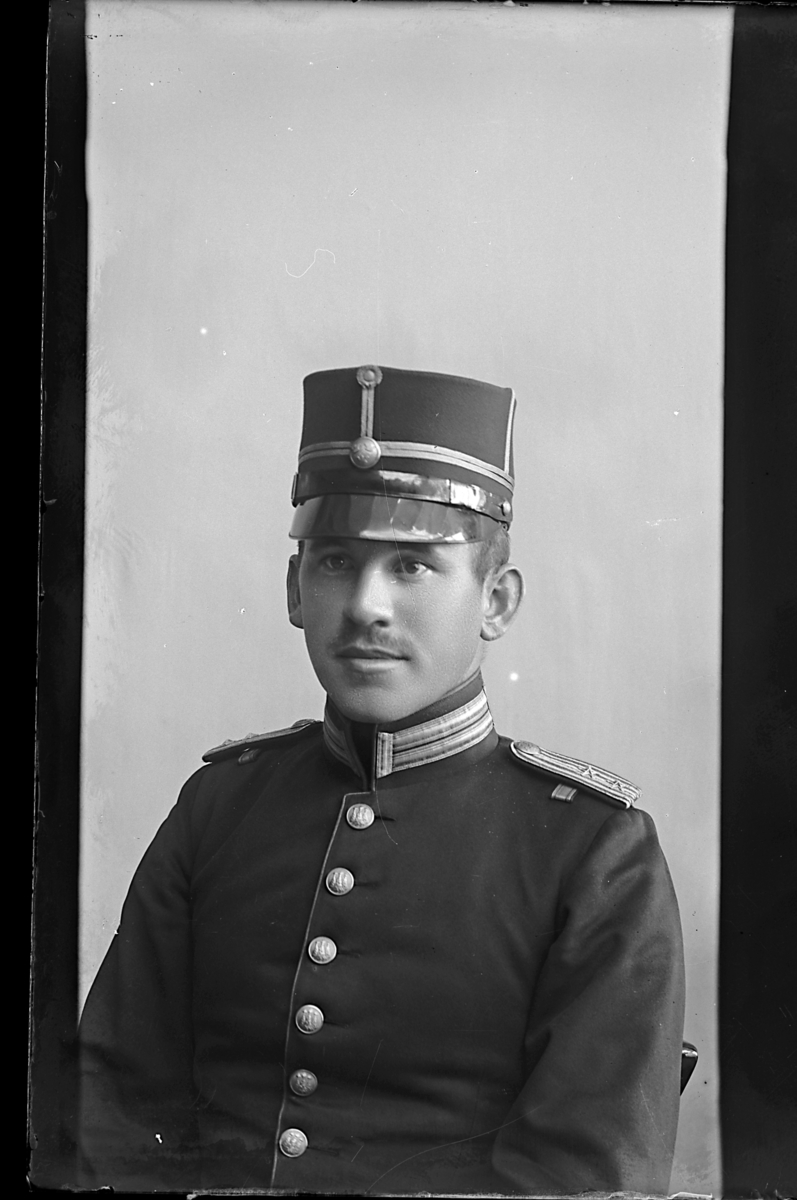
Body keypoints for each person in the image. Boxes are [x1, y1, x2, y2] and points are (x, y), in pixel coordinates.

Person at [78, 365, 686, 1195]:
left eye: (411, 565)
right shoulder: (219, 805)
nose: (365, 605)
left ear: (496, 602)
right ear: (294, 589)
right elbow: (111, 1113)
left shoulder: (593, 849)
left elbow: (584, 1175)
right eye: (335, 561)